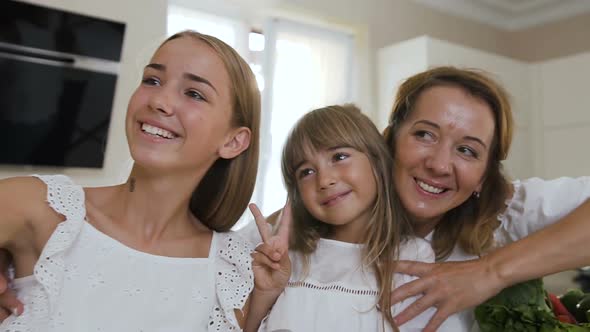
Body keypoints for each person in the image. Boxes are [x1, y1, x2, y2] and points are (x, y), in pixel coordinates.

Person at [0, 30, 260, 331]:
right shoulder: (40, 206)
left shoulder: (231, 272)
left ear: (233, 141)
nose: (160, 101)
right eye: (152, 80)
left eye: (194, 93)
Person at [382, 66, 590, 331]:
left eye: (467, 150)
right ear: (389, 139)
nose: (440, 165)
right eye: (425, 134)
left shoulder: (509, 212)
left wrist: (490, 271)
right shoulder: (336, 211)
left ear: (483, 176)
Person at [244, 104, 436, 331]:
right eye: (306, 171)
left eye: (339, 156)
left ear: (377, 161)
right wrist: (264, 294)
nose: (324, 180)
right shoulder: (286, 258)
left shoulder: (411, 257)